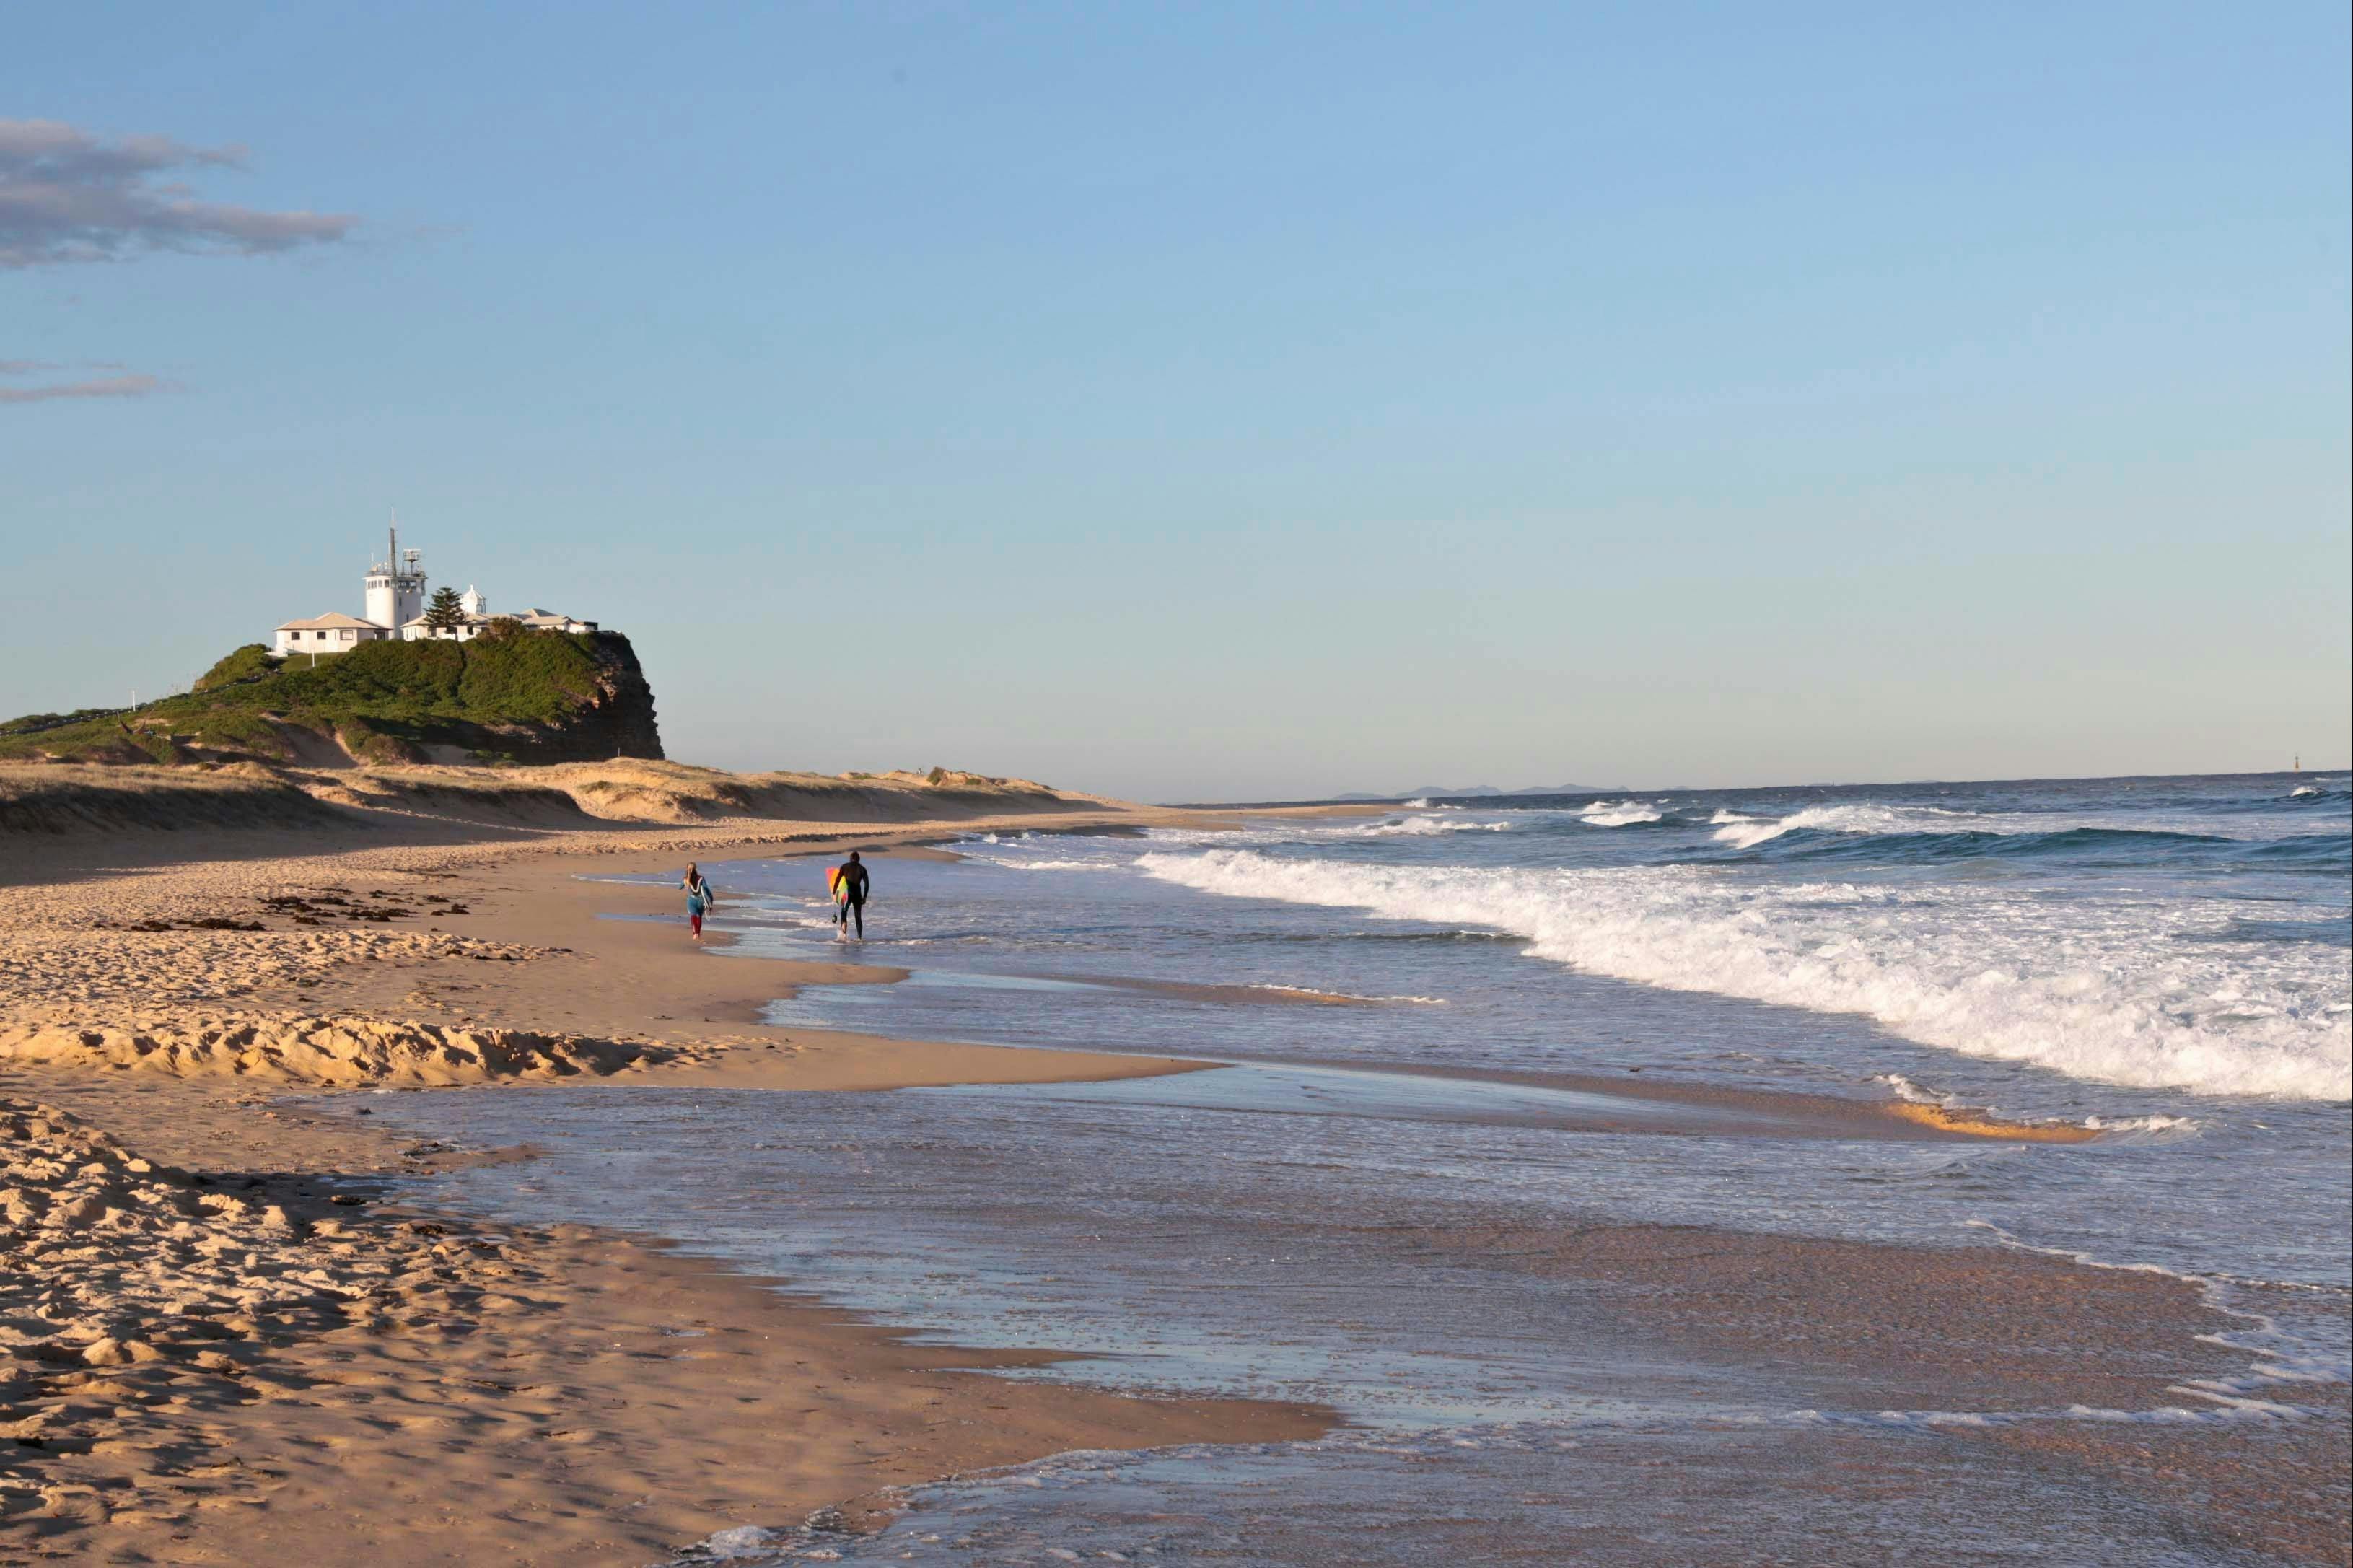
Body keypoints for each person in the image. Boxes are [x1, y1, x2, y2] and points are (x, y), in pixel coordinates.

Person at [831, 851, 869, 940]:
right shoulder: (862, 869)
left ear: (850, 859)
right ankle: (859, 938)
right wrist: (865, 897)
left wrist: (834, 893)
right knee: (858, 916)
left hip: (848, 895)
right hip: (857, 895)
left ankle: (843, 935)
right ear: (858, 860)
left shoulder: (844, 867)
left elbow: (837, 880)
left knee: (844, 913)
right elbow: (867, 885)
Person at [681, 862, 715, 942]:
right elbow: (706, 889)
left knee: (693, 917)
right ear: (696, 869)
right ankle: (698, 933)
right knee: (699, 916)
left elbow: (680, 887)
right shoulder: (701, 878)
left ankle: (695, 935)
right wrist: (711, 900)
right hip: (701, 900)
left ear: (687, 869)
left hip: (691, 900)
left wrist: (685, 882)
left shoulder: (686, 879)